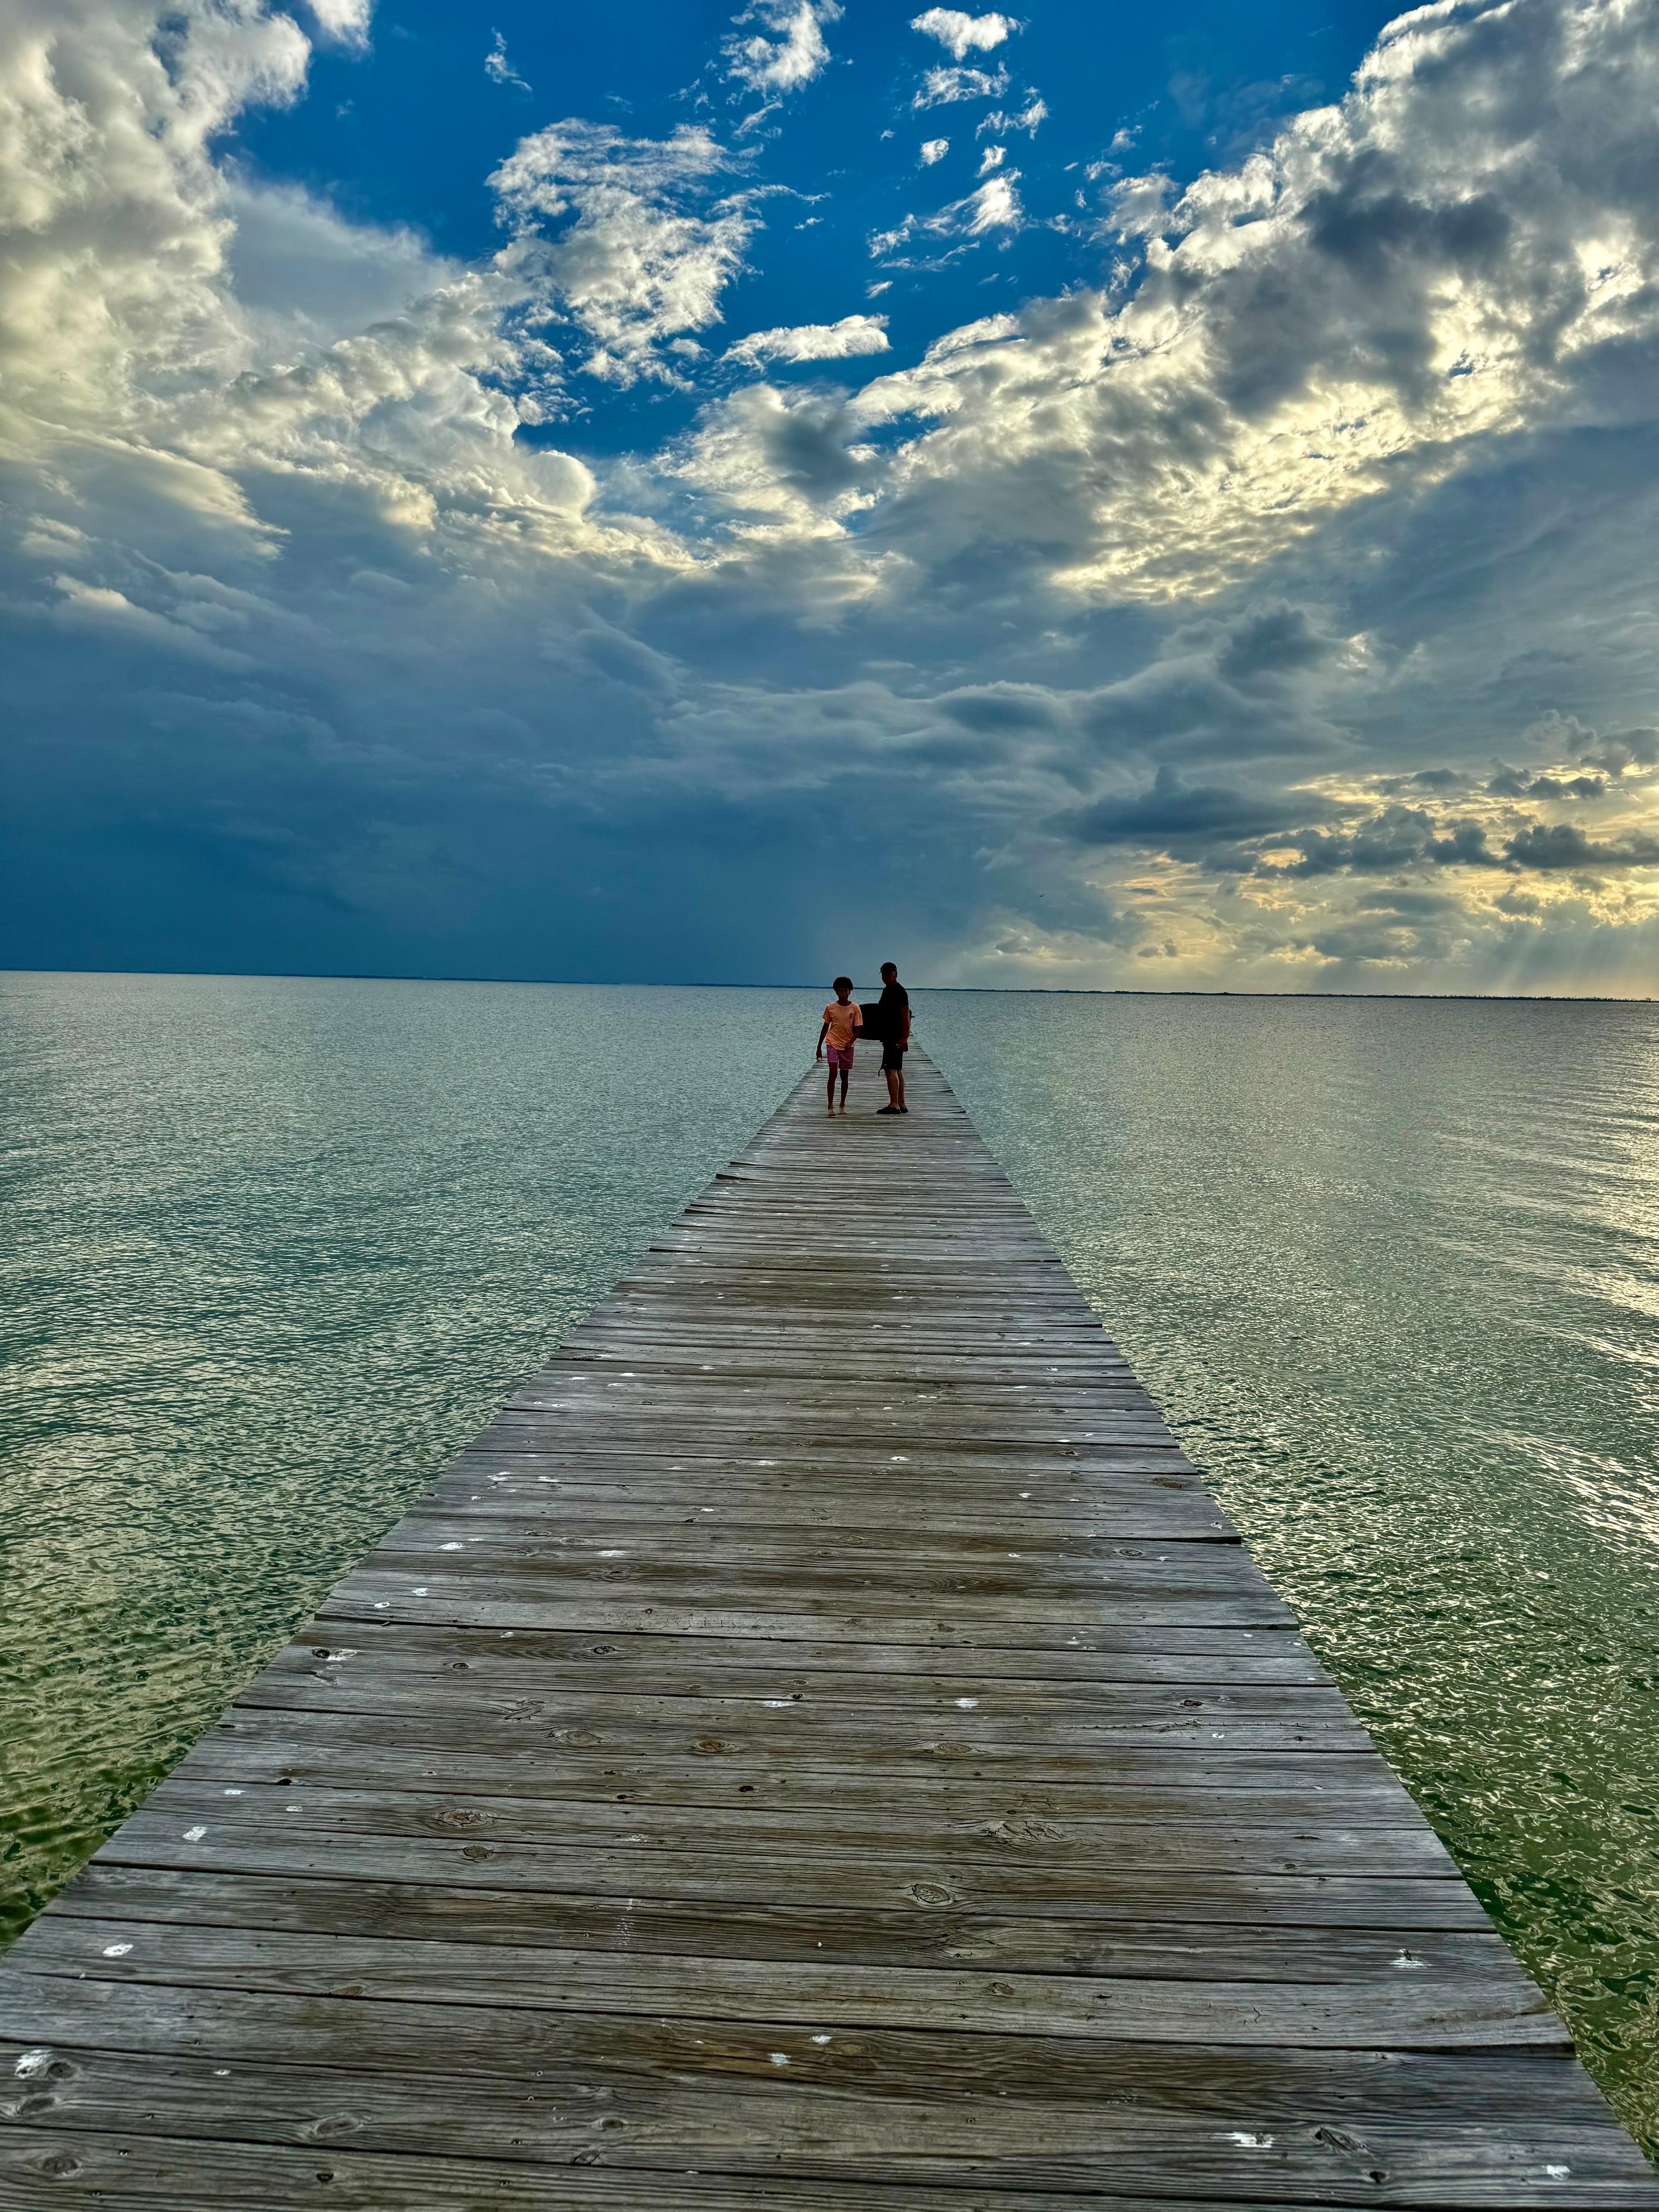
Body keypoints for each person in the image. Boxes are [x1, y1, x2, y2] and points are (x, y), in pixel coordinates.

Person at [816, 975, 862, 1113]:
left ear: (850, 992)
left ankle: (842, 1102)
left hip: (847, 1044)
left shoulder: (855, 1008)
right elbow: (826, 1027)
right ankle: (830, 1105)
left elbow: (858, 1029)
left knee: (844, 1074)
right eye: (840, 991)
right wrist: (819, 1047)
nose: (843, 994)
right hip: (832, 1042)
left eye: (845, 991)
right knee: (833, 1073)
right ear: (836, 992)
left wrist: (851, 1042)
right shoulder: (831, 1008)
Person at [874, 959, 910, 1114]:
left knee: (890, 1070)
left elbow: (906, 1016)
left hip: (895, 1037)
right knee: (898, 1070)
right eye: (884, 973)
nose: (886, 976)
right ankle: (901, 1104)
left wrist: (904, 1038)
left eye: (889, 973)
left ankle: (894, 1105)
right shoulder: (887, 990)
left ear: (895, 974)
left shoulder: (899, 991)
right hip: (889, 1035)